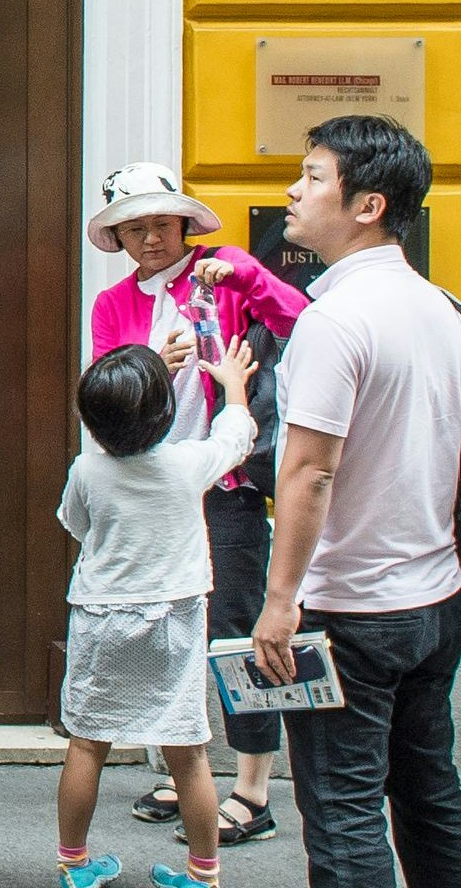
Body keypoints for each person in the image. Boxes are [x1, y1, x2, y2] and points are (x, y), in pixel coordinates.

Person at [242, 115, 461, 888]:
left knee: (342, 810)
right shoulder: (436, 307)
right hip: (435, 595)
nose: (295, 193)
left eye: (312, 178)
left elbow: (306, 473)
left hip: (351, 605)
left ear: (367, 204)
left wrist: (278, 600)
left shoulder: (335, 319)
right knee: (430, 796)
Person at [86, 162, 310, 846]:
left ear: (183, 223)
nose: (150, 237)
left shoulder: (224, 270)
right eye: (135, 227)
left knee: (239, 629)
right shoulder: (112, 304)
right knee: (165, 630)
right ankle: (186, 771)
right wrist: (155, 361)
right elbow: (104, 390)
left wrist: (244, 277)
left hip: (225, 480)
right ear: (120, 238)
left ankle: (253, 788)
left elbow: (300, 321)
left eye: (160, 223)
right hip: (153, 485)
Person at [53, 339, 261, 888]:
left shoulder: (87, 469)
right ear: (166, 414)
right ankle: (200, 877)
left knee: (88, 742)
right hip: (175, 617)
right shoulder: (186, 463)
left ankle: (75, 864)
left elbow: (74, 522)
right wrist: (235, 386)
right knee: (187, 752)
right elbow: (235, 435)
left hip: (101, 617)